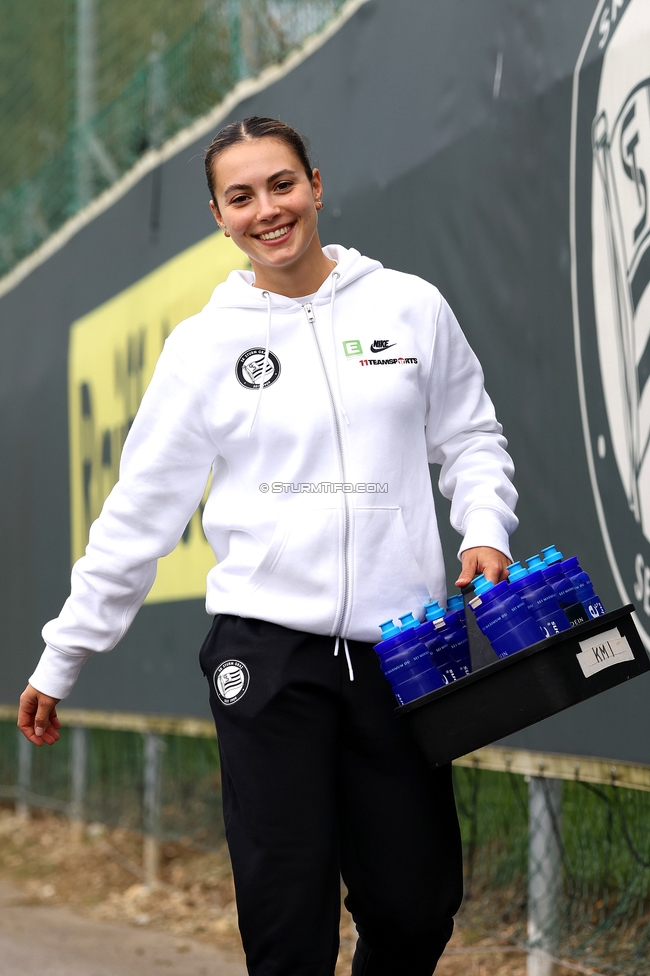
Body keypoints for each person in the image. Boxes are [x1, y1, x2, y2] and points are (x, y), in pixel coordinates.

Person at [18, 116, 518, 975]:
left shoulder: (409, 306)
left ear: (315, 186)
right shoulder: (202, 347)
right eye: (241, 197)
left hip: (405, 649)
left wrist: (484, 529)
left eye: (282, 185)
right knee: (287, 919)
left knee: (416, 905)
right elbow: (140, 512)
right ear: (220, 218)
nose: (268, 210)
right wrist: (63, 655)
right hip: (266, 654)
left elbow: (471, 438)